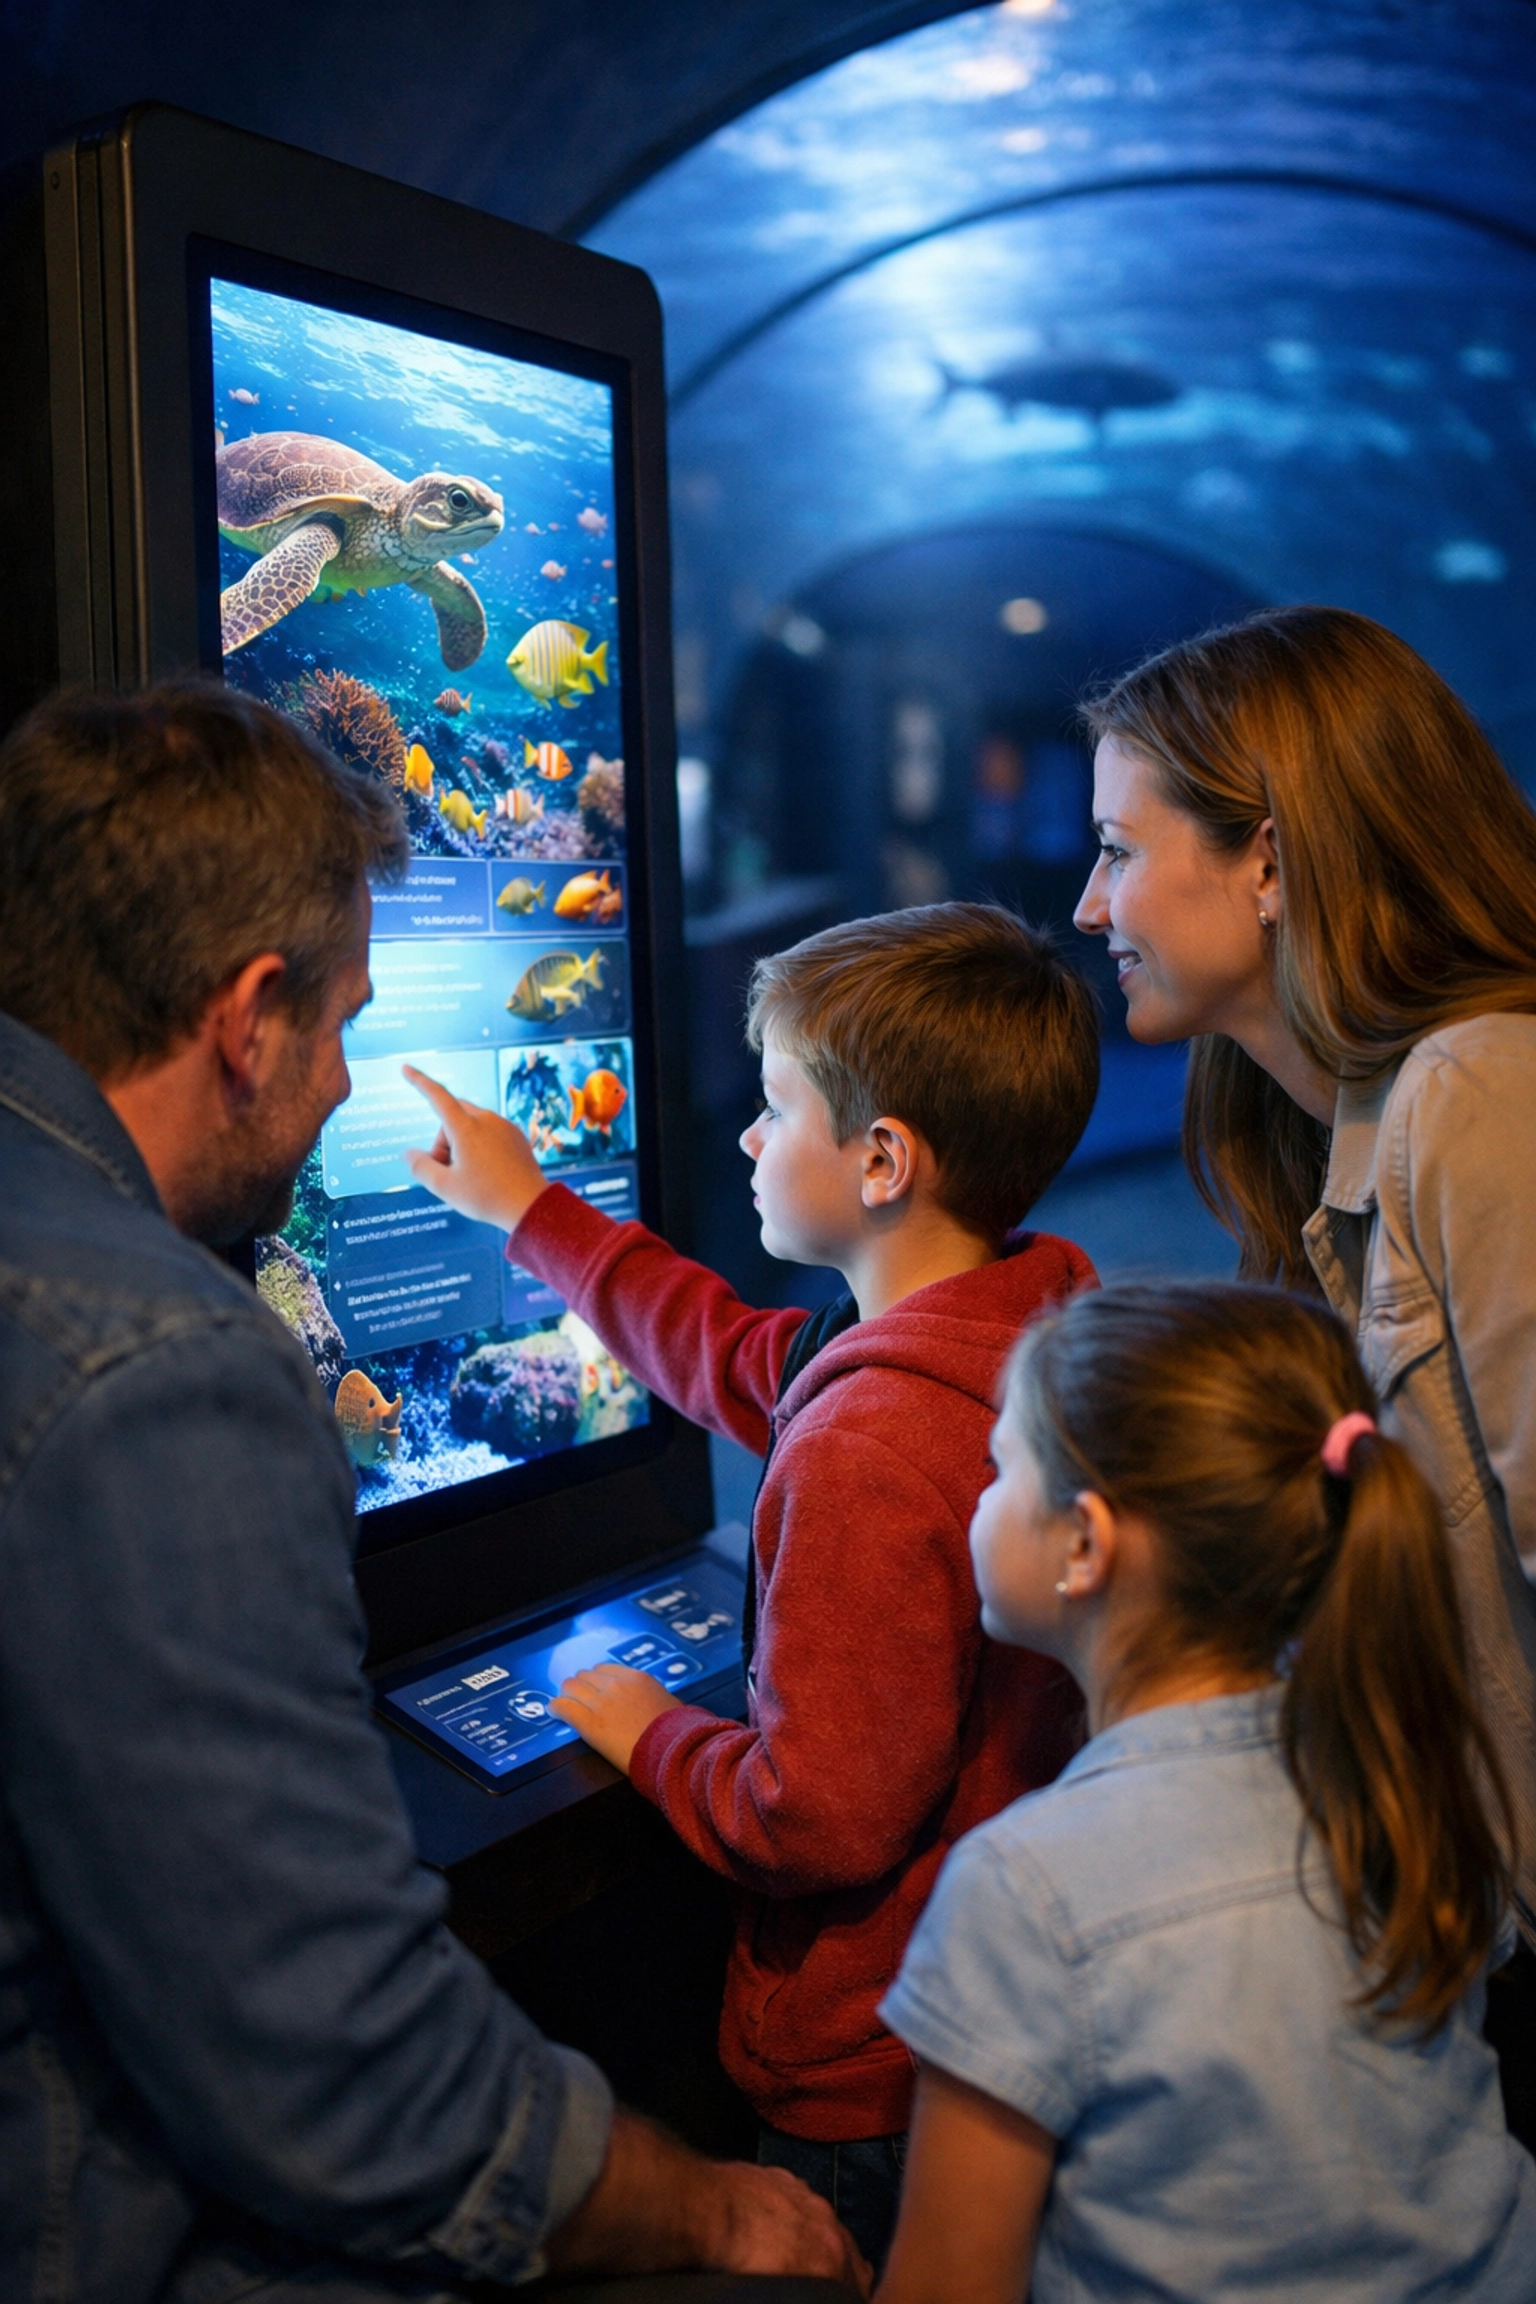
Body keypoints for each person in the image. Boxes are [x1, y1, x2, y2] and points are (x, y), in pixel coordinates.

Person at [0, 680, 863, 2304]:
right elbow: (341, 2067)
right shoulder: (160, 1367)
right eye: (337, 1024)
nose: (338, 1081)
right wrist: (713, 2211)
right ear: (247, 1012)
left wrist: (537, 1208)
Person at [404, 902, 1100, 2270]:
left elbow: (816, 1821)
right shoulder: (1019, 1323)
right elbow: (730, 1354)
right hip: (1002, 2013)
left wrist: (643, 1727)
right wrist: (532, 1212)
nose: (744, 1137)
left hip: (872, 2077)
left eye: (774, 1109)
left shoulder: (868, 1449)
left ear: (883, 1160)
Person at [1071, 604, 1536, 2140]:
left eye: (1119, 850)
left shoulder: (1476, 1091)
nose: (1088, 906)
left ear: (1266, 860)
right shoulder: (1322, 1137)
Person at [876, 1282, 1536, 2304]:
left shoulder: (1023, 1890)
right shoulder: (1406, 1776)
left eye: (1000, 1469)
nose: (979, 1495)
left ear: (1086, 1544)